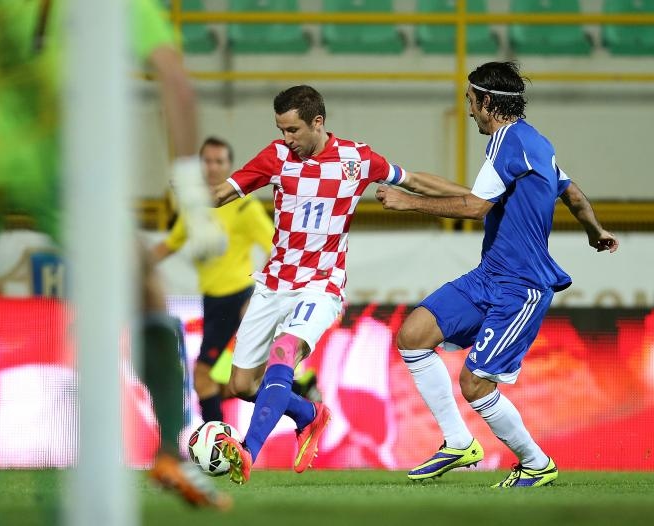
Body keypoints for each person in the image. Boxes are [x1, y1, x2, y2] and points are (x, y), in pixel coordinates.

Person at [0, 0, 228, 520]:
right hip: (57, 163)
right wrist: (191, 194)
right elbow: (175, 81)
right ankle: (169, 451)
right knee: (144, 288)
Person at [211, 85, 471, 485]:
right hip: (273, 284)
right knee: (244, 386)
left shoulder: (358, 159)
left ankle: (248, 451)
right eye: (281, 130)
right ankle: (308, 414)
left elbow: (415, 181)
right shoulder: (275, 157)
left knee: (284, 351)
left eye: (293, 130)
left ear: (318, 122)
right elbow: (222, 193)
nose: (286, 139)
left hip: (321, 285)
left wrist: (477, 198)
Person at [376, 61, 619, 488]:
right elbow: (574, 195)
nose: (469, 112)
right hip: (489, 275)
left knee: (474, 382)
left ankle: (536, 462)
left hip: (521, 287)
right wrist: (595, 231)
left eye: (470, 102)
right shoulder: (535, 142)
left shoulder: (508, 142)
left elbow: (474, 207)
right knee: (413, 334)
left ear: (487, 102)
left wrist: (407, 201)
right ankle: (457, 442)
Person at [152, 136, 274, 423]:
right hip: (213, 301)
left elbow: (275, 246)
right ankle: (298, 391)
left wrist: (264, 294)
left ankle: (214, 440)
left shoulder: (245, 207)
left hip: (239, 296)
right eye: (207, 161)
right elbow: (171, 243)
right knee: (222, 382)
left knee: (204, 375)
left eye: (219, 161)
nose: (212, 167)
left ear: (230, 166)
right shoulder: (194, 208)